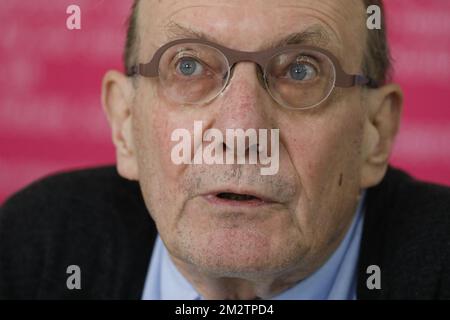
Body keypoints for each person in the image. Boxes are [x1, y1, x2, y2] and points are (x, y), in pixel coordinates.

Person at [1, 0, 449, 300]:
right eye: (189, 65)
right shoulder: (29, 253)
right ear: (126, 123)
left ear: (375, 131)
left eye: (300, 70)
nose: (241, 132)